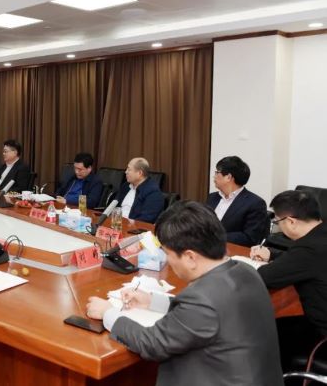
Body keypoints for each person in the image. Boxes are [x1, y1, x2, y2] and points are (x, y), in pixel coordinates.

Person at [86, 201, 282, 386]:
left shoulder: (202, 299)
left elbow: (152, 343)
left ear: (190, 257)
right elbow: (206, 315)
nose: (168, 261)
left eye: (167, 254)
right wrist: (151, 301)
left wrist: (108, 313)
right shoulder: (245, 270)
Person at [250, 190, 327, 372]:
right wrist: (272, 255)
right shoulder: (320, 235)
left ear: (291, 222)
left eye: (277, 222)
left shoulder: (308, 249)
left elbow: (264, 277)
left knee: (264, 330)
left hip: (322, 334)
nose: (278, 226)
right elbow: (302, 262)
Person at [206, 156, 268, 246]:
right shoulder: (212, 197)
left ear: (228, 177)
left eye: (217, 172)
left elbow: (249, 237)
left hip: (230, 250)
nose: (214, 176)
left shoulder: (255, 203)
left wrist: (215, 237)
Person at [115, 157, 164, 223]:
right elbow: (114, 206)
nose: (126, 172)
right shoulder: (126, 186)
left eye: (129, 169)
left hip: (132, 227)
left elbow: (145, 220)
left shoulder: (153, 193)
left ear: (140, 173)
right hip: (116, 223)